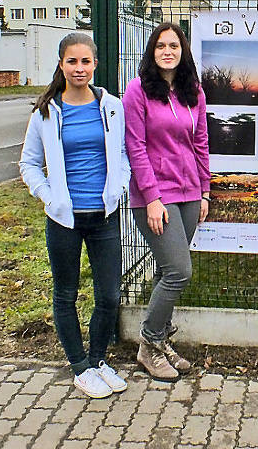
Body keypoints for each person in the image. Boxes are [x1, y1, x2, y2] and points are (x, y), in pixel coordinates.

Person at [19, 32, 130, 399]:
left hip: (104, 217)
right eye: (72, 62)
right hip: (64, 219)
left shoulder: (112, 106)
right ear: (61, 64)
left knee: (109, 296)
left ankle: (98, 360)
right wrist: (48, 196)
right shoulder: (46, 112)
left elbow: (125, 154)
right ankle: (80, 367)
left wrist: (122, 184)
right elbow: (29, 163)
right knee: (65, 294)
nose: (79, 68)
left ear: (95, 64)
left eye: (85, 61)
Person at [122, 22, 210, 382]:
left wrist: (205, 191)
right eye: (161, 46)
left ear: (183, 51)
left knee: (163, 271)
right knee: (179, 270)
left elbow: (201, 142)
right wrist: (153, 198)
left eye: (174, 45)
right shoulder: (138, 91)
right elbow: (136, 147)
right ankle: (149, 344)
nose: (168, 51)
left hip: (190, 192)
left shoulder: (194, 92)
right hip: (155, 196)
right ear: (152, 51)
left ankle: (160, 343)